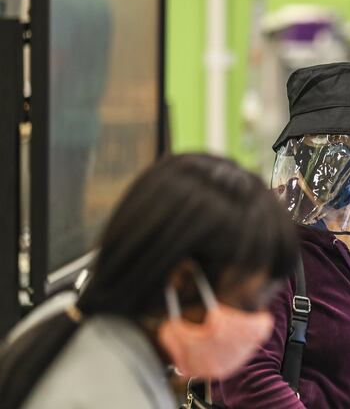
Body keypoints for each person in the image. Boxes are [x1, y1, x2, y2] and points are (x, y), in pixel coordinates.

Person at [0, 154, 299, 408]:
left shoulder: (65, 316)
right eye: (247, 305)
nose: (258, 326)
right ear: (183, 282)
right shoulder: (110, 396)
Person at [215, 62, 350, 408]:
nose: (348, 162)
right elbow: (247, 378)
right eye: (334, 148)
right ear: (301, 151)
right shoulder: (269, 241)